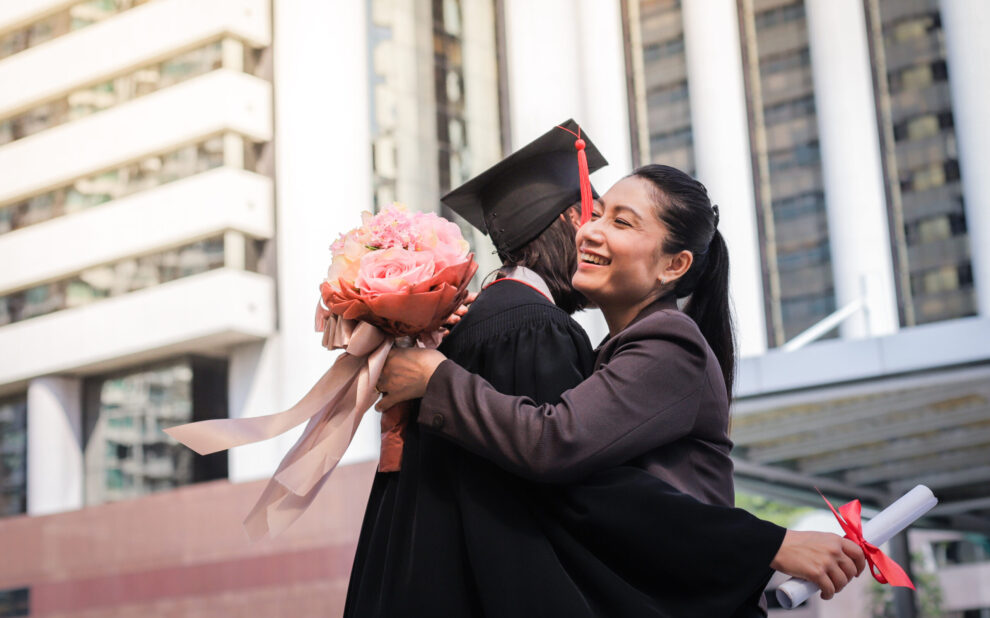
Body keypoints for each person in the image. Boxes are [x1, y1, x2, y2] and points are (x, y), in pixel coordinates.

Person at [375, 161, 866, 615]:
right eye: (598, 213)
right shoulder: (620, 347)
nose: (588, 230)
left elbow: (554, 441)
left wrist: (435, 378)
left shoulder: (670, 345)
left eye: (621, 222)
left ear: (673, 266)